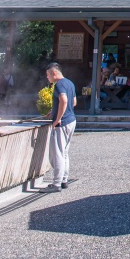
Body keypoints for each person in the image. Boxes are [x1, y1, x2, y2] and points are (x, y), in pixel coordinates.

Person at [44, 63, 77, 192]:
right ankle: (64, 180)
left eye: (48, 75)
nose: (47, 78)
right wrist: (54, 111)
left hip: (62, 123)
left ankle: (56, 184)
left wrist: (57, 119)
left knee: (57, 153)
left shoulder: (59, 85)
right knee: (64, 153)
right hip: (71, 120)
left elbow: (63, 100)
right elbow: (73, 102)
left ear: (54, 73)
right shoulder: (70, 83)